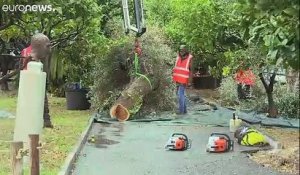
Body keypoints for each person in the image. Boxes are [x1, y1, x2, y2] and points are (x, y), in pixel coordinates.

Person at [21, 34, 53, 128]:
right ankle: (43, 120)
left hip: (32, 78)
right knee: (40, 100)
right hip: (31, 79)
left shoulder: (26, 51)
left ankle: (45, 120)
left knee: (41, 99)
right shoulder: (32, 52)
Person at [172, 45, 193, 114]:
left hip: (184, 79)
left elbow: (191, 70)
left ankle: (181, 112)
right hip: (177, 79)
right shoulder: (178, 57)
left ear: (186, 50)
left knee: (180, 94)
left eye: (183, 50)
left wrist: (190, 81)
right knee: (181, 94)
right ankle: (184, 111)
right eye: (180, 50)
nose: (181, 51)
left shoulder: (190, 58)